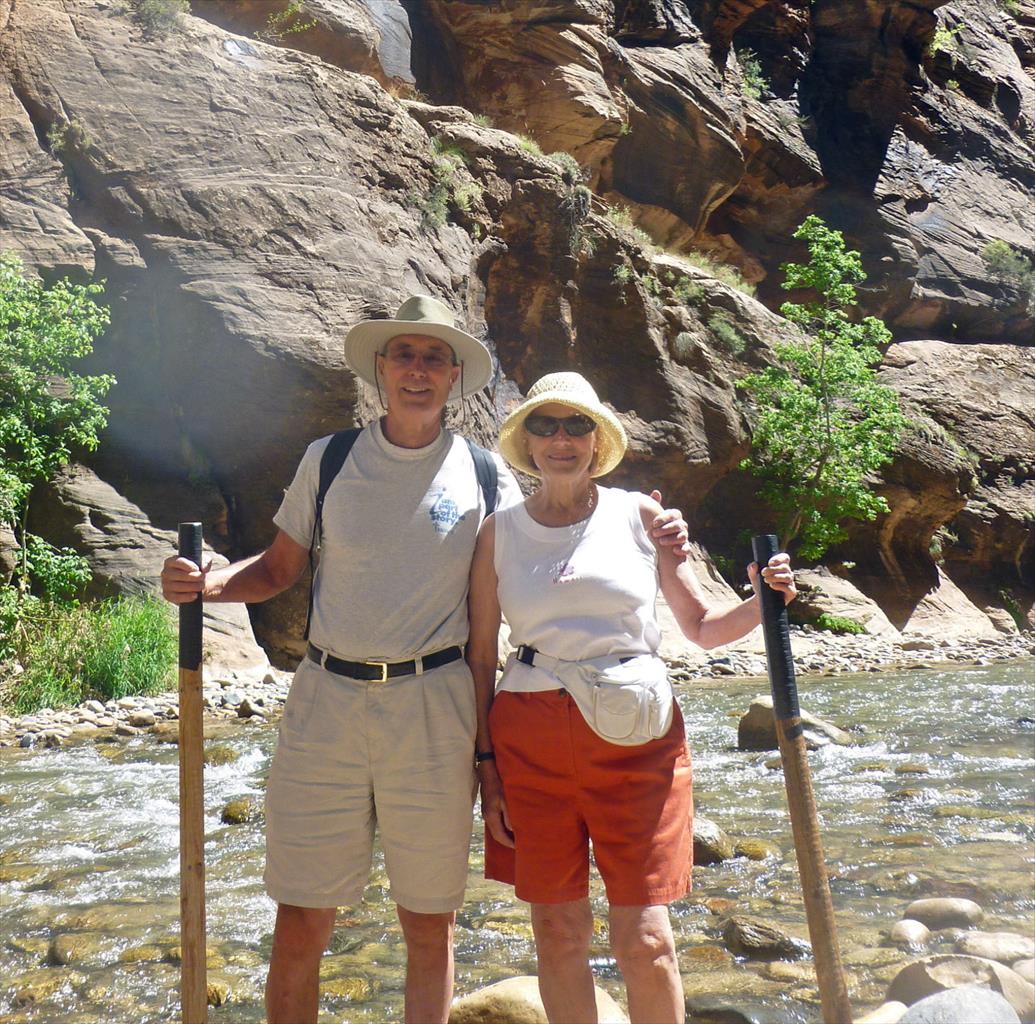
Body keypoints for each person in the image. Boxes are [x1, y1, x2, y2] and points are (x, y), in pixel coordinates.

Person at [161, 296, 688, 1024]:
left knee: (428, 922)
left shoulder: (483, 476)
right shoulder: (331, 459)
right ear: (380, 368)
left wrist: (657, 526)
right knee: (302, 915)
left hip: (435, 704)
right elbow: (279, 569)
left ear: (452, 376)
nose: (417, 369)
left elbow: (559, 531)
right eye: (403, 355)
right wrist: (208, 584)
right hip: (325, 701)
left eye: (433, 357)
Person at [466, 371, 797, 1024]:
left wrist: (763, 597)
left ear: (597, 440)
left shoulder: (641, 515)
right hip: (527, 741)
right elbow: (480, 658)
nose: (560, 439)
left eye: (575, 425)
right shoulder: (495, 533)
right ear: (525, 441)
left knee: (644, 938)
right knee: (557, 933)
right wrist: (485, 769)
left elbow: (702, 627)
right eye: (544, 425)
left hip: (638, 739)